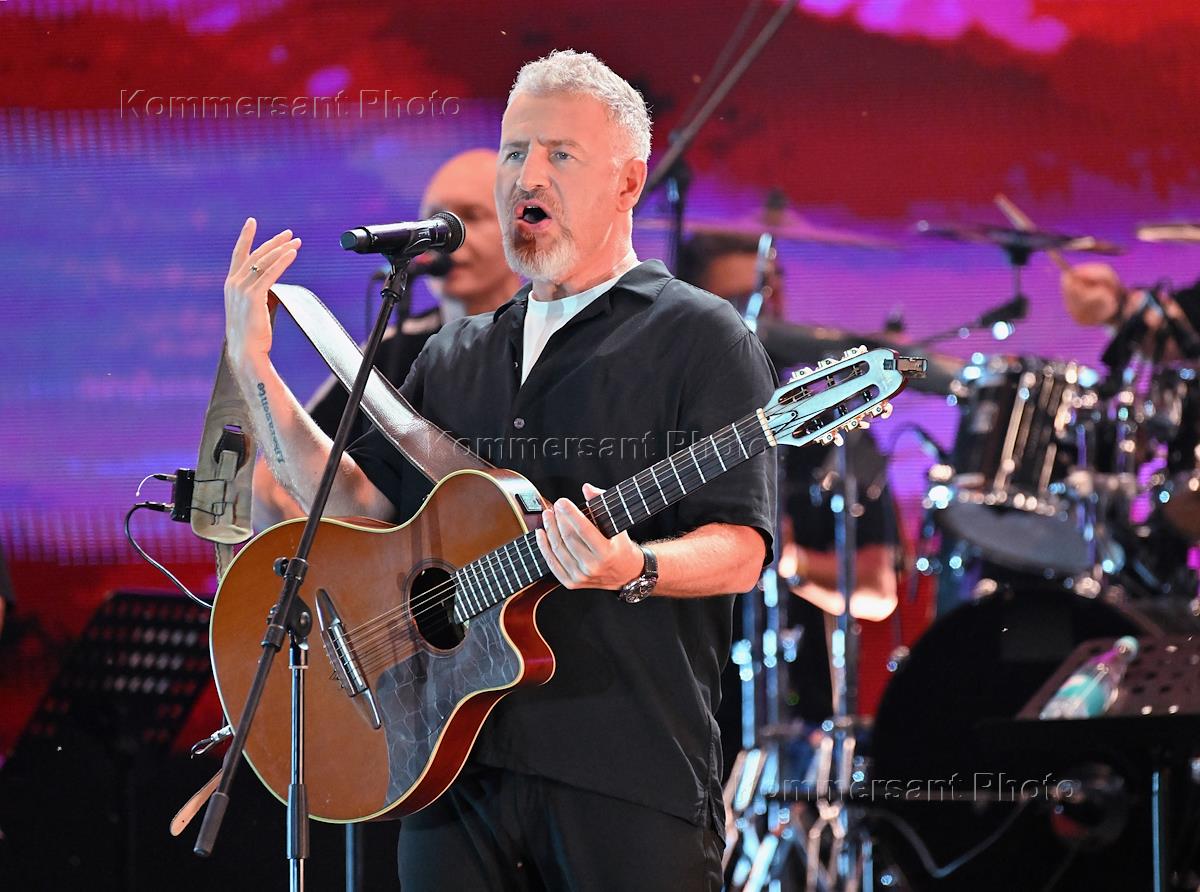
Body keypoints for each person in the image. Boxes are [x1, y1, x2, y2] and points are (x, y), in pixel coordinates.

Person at [223, 49, 776, 890]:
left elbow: (742, 547)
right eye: (516, 152)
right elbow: (354, 505)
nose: (528, 175)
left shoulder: (701, 337)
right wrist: (253, 364)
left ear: (628, 182)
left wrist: (634, 566)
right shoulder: (455, 352)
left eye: (561, 154)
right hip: (449, 772)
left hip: (624, 773)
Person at [252, 148, 520, 528]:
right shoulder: (392, 347)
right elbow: (273, 481)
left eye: (471, 217)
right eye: (435, 221)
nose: (446, 238)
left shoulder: (538, 342)